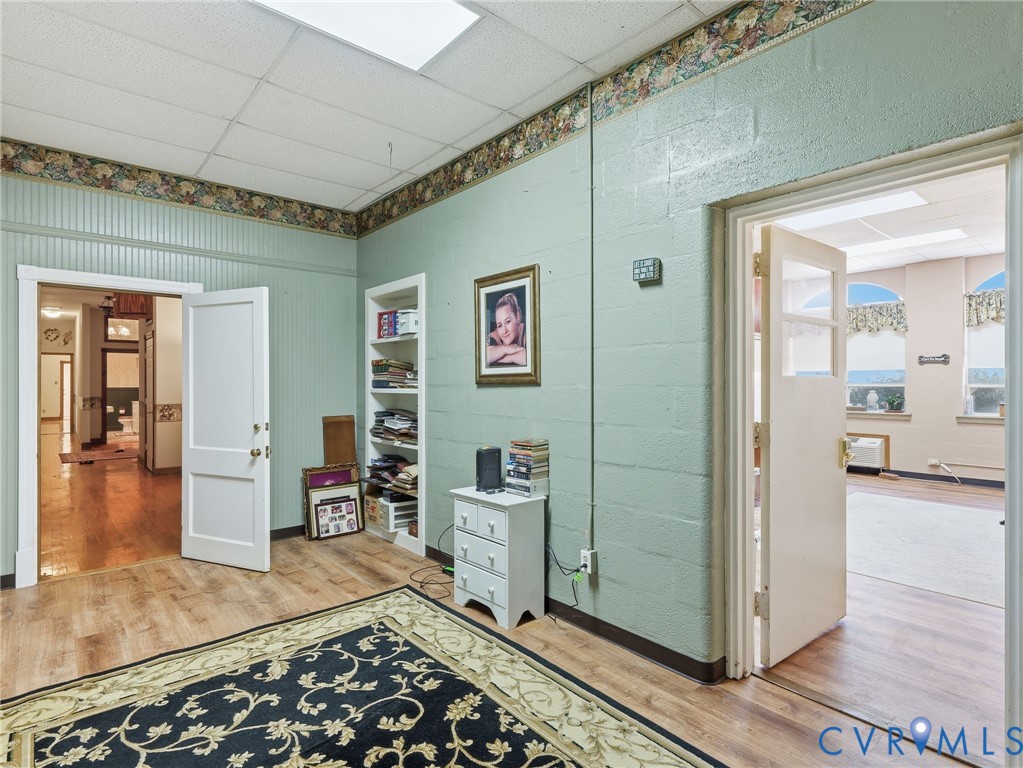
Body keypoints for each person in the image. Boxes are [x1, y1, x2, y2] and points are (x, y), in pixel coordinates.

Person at [486, 292, 526, 366]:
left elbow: (529, 358)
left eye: (508, 322)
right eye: (500, 325)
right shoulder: (496, 335)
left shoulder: (526, 334)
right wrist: (505, 349)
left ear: (517, 318)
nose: (504, 331)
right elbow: (482, 355)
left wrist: (505, 357)